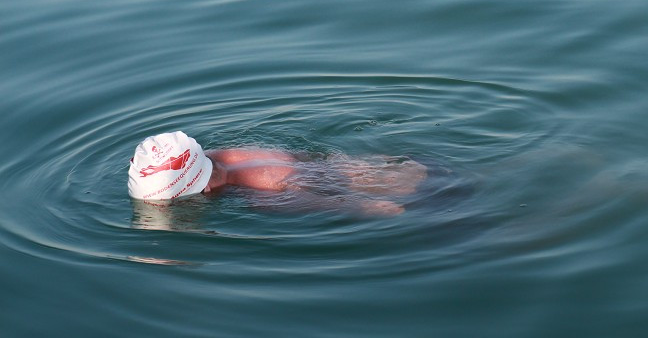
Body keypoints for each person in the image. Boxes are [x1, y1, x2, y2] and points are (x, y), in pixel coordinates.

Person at [127, 131, 427, 217]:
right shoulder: (225, 154)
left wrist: (375, 209)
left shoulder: (264, 197)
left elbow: (339, 205)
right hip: (383, 166)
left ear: (204, 189)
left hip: (409, 187)